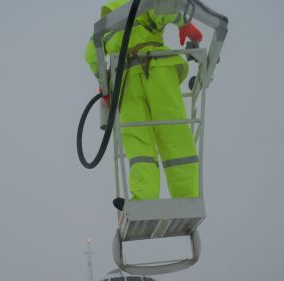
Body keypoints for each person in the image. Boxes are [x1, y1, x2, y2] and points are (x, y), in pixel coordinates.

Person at [85, 0, 203, 203]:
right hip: (157, 71)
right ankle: (187, 196)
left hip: (126, 83)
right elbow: (164, 10)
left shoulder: (106, 23)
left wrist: (104, 85)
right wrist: (185, 25)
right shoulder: (141, 4)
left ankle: (144, 198)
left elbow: (91, 55)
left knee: (138, 145)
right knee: (173, 133)